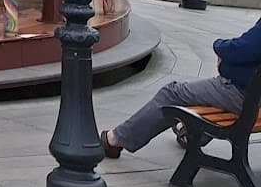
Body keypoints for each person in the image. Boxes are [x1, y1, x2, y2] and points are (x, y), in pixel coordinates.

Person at [101, 15, 261, 157]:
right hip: (250, 95)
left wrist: (219, 47)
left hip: (246, 98)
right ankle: (188, 131)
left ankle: (115, 139)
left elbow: (245, 49)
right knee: (204, 92)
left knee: (171, 94)